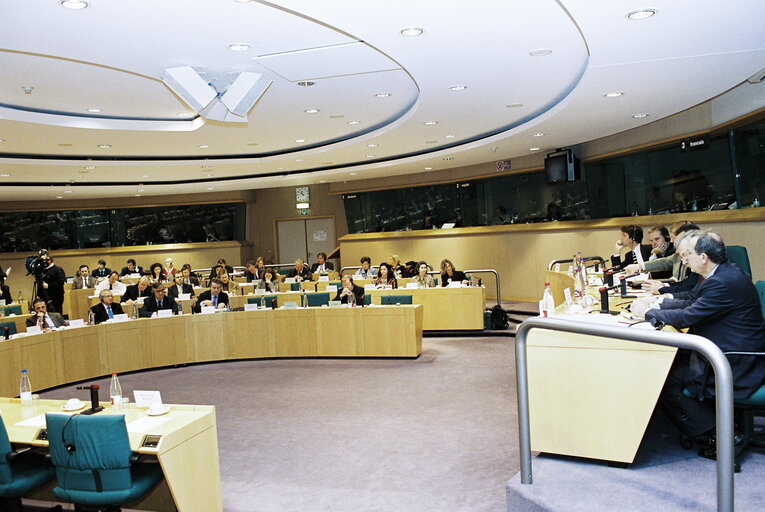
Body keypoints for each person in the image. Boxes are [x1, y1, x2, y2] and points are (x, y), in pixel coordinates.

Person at [636, 231, 765, 457]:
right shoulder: (723, 274)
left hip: (736, 361)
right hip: (732, 348)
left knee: (667, 379)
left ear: (703, 257)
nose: (684, 260)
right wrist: (656, 306)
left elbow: (688, 316)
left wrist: (648, 313)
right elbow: (694, 303)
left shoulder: (722, 282)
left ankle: (718, 434)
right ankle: (716, 425)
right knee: (675, 367)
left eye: (689, 255)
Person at [625, 222, 700, 293]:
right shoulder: (677, 254)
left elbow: (687, 288)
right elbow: (665, 262)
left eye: (674, 238)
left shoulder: (693, 259)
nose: (671, 241)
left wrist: (663, 287)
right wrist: (640, 266)